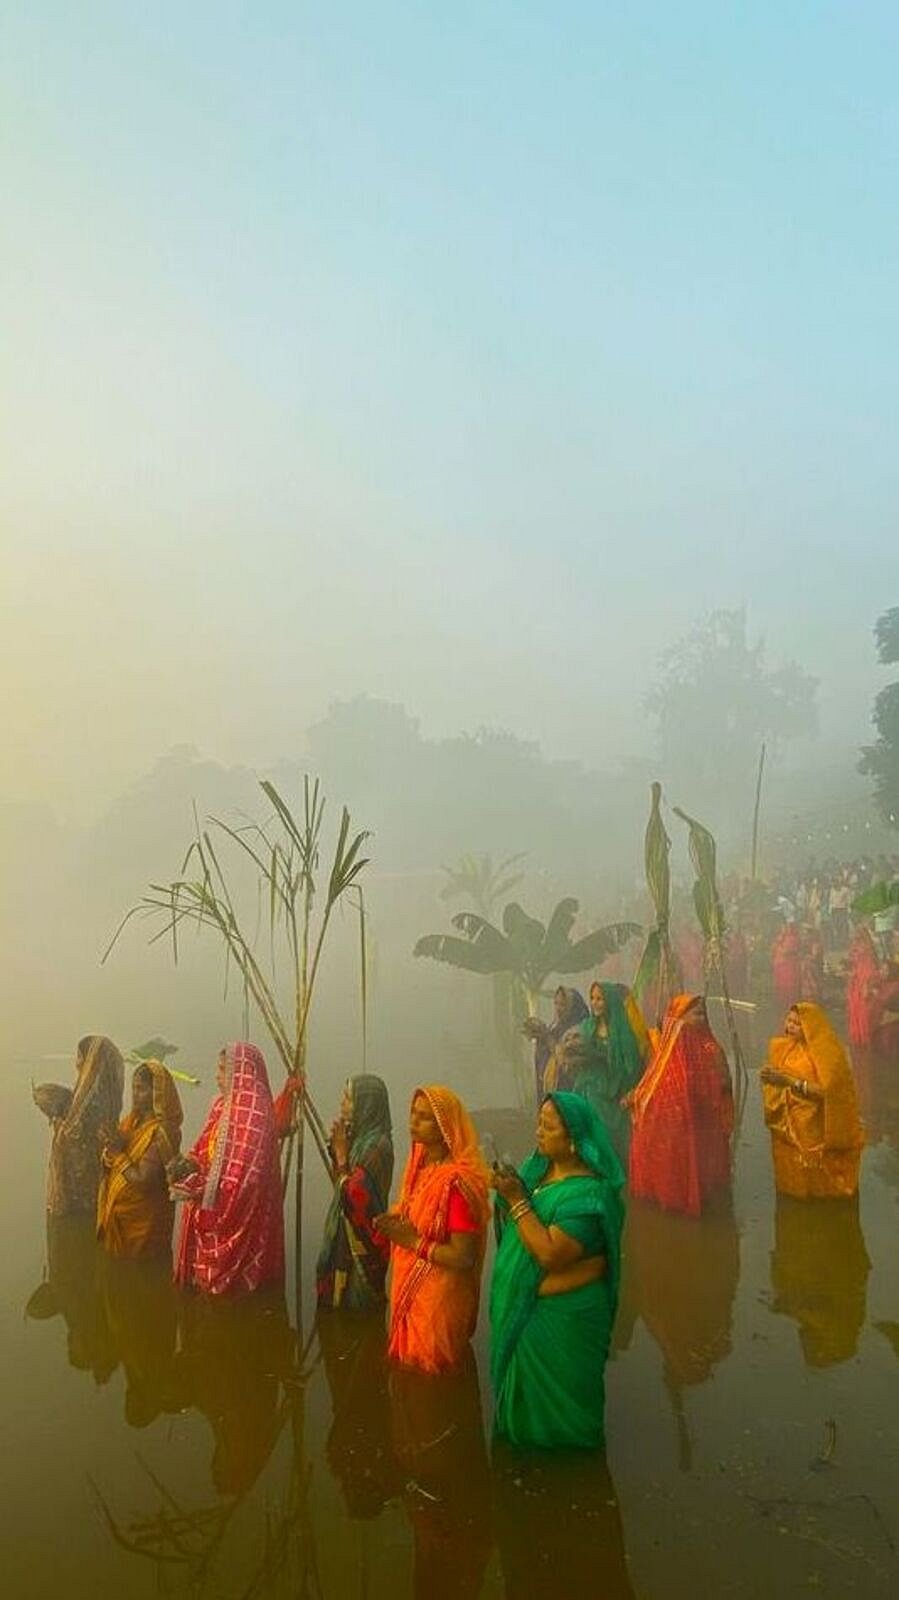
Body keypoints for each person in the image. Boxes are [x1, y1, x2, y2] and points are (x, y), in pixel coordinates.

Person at [489, 1091, 625, 1450]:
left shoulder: (588, 1196)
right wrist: (508, 1191)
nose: (538, 1132)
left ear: (575, 1139)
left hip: (563, 1320)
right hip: (529, 1311)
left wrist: (516, 1200)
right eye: (539, 1123)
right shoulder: (539, 1174)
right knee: (524, 1419)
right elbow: (520, 1224)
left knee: (568, 1421)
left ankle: (576, 1472)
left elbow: (550, 1253)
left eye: (548, 1126)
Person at [375, 1085, 489, 1375]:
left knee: (432, 1381)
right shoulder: (421, 1167)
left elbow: (463, 1256)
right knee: (409, 1384)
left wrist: (413, 1241)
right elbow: (416, 1211)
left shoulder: (455, 1183)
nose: (413, 1121)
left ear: (445, 1127)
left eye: (424, 1117)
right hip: (415, 1296)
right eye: (413, 1113)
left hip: (438, 1305)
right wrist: (395, 1220)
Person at [171, 1041, 284, 1294]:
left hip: (237, 1217)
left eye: (223, 1069)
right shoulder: (221, 1106)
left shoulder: (255, 1117)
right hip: (209, 1201)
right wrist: (188, 1165)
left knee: (236, 1294)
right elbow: (203, 1148)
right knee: (201, 1299)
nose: (217, 1076)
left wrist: (201, 1189)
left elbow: (245, 1184)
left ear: (241, 1073)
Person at [627, 995, 733, 1218]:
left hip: (698, 1125)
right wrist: (636, 1097)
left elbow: (724, 1083)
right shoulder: (666, 1051)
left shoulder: (711, 1048)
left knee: (697, 1175)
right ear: (677, 1019)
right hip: (670, 1125)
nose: (700, 1018)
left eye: (703, 1013)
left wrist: (701, 1087)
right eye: (695, 1013)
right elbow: (652, 1082)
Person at [760, 1004, 864, 1199]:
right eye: (789, 1020)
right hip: (788, 1124)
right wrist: (769, 1078)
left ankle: (825, 1207)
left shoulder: (828, 1056)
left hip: (815, 1127)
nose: (790, 1026)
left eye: (797, 1023)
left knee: (817, 1176)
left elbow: (829, 1093)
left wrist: (788, 1081)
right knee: (793, 1177)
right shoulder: (784, 1048)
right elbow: (776, 1080)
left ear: (811, 1027)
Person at [316, 1073, 393, 1310]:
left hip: (363, 1246)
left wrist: (341, 1156)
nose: (342, 1103)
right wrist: (338, 1153)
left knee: (356, 1311)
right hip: (346, 1238)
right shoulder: (360, 1140)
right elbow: (340, 1188)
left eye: (349, 1098)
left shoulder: (377, 1146)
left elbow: (353, 1196)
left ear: (366, 1105)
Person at [97, 1059, 183, 1259]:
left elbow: (143, 1179)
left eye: (142, 1089)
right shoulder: (132, 1120)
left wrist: (117, 1154)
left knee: (142, 1268)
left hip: (145, 1222)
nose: (135, 1095)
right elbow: (117, 1153)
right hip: (123, 1215)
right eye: (134, 1088)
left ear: (158, 1094)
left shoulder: (162, 1132)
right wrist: (109, 1145)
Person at [37, 1035, 125, 1217]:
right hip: (101, 1184)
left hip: (79, 1188)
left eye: (79, 1057)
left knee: (79, 1222)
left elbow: (72, 1134)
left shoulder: (86, 1104)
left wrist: (58, 1122)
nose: (76, 1063)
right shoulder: (107, 1101)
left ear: (90, 1062)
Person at [569, 981, 649, 1164]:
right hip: (591, 1090)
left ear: (610, 1001)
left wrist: (627, 1091)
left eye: (600, 999)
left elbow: (631, 1066)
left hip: (616, 1095)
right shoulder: (587, 1027)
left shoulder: (622, 1031)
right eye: (592, 998)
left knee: (616, 1143)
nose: (595, 1003)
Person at [522, 986, 589, 1101]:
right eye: (556, 1003)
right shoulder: (555, 1027)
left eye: (563, 1004)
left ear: (573, 1007)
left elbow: (566, 1060)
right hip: (551, 1090)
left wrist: (547, 1037)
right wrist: (540, 1037)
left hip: (570, 1092)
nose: (558, 1008)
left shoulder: (579, 1031)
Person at [846, 924, 882, 1048]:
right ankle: (861, 1038)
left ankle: (865, 1038)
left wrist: (867, 983)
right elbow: (852, 962)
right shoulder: (860, 947)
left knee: (863, 1010)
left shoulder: (867, 948)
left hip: (864, 979)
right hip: (858, 979)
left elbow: (871, 968)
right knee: (857, 1009)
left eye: (857, 935)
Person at [771, 924, 801, 1009]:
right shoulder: (780, 938)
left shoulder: (792, 938)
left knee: (790, 990)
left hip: (789, 968)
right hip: (780, 968)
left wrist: (779, 946)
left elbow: (786, 951)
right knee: (781, 989)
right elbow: (773, 948)